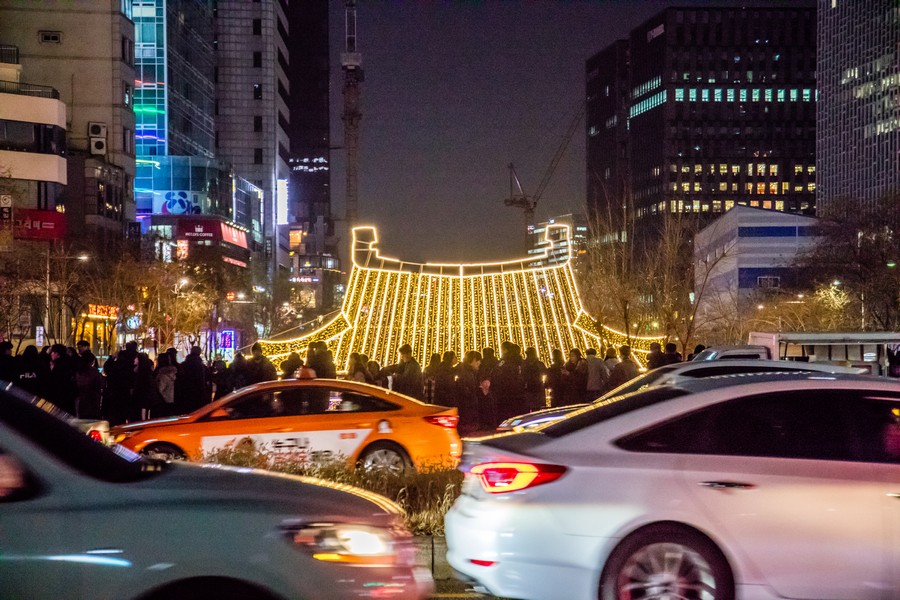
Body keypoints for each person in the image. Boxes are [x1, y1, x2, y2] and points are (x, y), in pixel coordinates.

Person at [492, 342, 526, 423]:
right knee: (515, 409)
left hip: (505, 388)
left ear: (505, 350)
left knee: (506, 409)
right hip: (518, 388)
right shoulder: (520, 360)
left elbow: (497, 370)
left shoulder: (504, 360)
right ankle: (516, 424)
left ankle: (505, 424)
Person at [456, 350, 483, 435]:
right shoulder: (466, 373)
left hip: (467, 407)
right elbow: (465, 390)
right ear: (474, 360)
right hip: (467, 408)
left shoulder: (468, 371)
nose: (480, 363)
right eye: (479, 360)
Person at [45, 344, 77, 414]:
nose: (51, 354)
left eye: (52, 352)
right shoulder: (68, 362)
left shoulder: (60, 365)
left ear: (57, 354)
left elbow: (55, 382)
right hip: (67, 398)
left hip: (60, 398)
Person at [178, 345, 209, 413]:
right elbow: (205, 379)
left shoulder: (183, 365)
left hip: (185, 392)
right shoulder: (201, 366)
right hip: (198, 393)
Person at [74, 353, 103, 419]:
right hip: (92, 400)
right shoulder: (94, 372)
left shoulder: (79, 371)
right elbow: (100, 384)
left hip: (81, 401)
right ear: (92, 361)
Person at [132, 352, 159, 421]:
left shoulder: (143, 373)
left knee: (143, 417)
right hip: (141, 400)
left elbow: (144, 388)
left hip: (142, 400)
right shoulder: (142, 371)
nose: (134, 359)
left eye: (136, 358)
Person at [522, 347, 546, 411]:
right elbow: (545, 373)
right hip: (536, 388)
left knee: (527, 409)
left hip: (528, 388)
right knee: (536, 409)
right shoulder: (539, 364)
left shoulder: (524, 364)